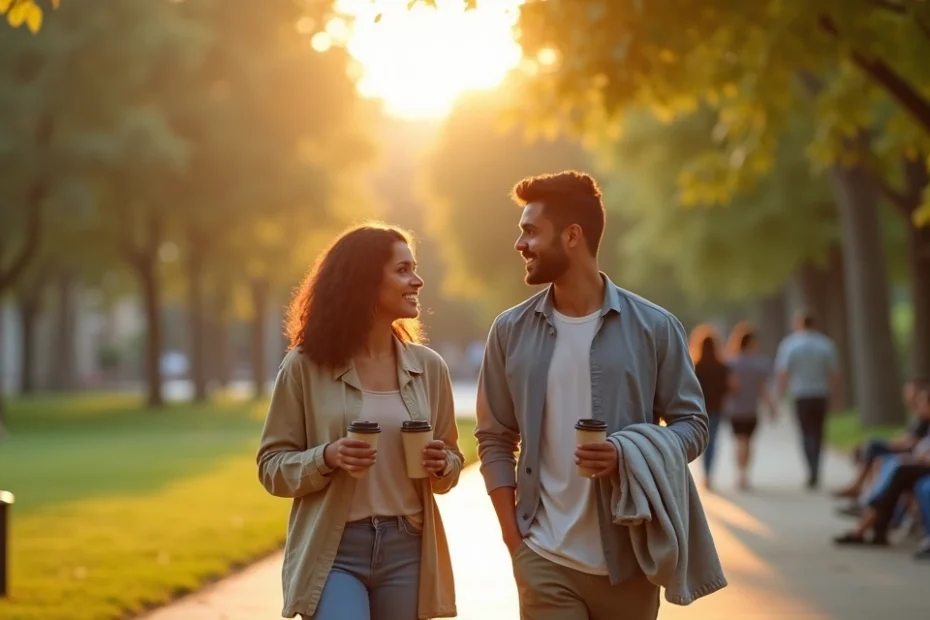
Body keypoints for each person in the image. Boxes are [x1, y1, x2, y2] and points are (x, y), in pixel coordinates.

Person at [475, 171, 713, 620]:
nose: (520, 244)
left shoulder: (655, 327)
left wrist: (627, 453)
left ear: (571, 236)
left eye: (531, 231)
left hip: (632, 559)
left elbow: (693, 425)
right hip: (544, 556)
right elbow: (494, 437)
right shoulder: (509, 331)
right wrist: (514, 540)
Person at [256, 223, 464, 620]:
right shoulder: (304, 367)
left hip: (408, 548)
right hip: (334, 550)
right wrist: (327, 457)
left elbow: (451, 465)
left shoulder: (429, 368)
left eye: (414, 268)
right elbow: (271, 467)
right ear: (365, 280)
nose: (417, 281)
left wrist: (443, 463)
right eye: (402, 270)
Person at [775, 309, 841, 490]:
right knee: (818, 432)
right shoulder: (826, 344)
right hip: (820, 394)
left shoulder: (790, 345)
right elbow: (834, 374)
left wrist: (779, 394)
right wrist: (836, 396)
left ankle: (810, 468)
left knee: (805, 433)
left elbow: (783, 373)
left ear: (799, 324)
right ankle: (816, 467)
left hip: (800, 395)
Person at [833, 378, 928, 499]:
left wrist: (892, 444)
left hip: (912, 452)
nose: (906, 395)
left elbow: (912, 441)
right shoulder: (917, 416)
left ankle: (861, 490)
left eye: (910, 391)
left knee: (874, 447)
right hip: (912, 452)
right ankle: (867, 495)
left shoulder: (923, 419)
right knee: (865, 449)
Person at [723, 322, 776, 491]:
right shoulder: (760, 363)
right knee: (748, 442)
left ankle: (740, 475)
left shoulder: (731, 362)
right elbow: (762, 389)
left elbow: (731, 386)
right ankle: (745, 474)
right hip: (751, 408)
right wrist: (771, 406)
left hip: (735, 409)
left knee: (740, 441)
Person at [689, 324, 732, 491]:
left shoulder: (695, 366)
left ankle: (703, 471)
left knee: (702, 441)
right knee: (713, 440)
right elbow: (728, 388)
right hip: (716, 408)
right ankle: (708, 474)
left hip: (699, 409)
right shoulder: (722, 367)